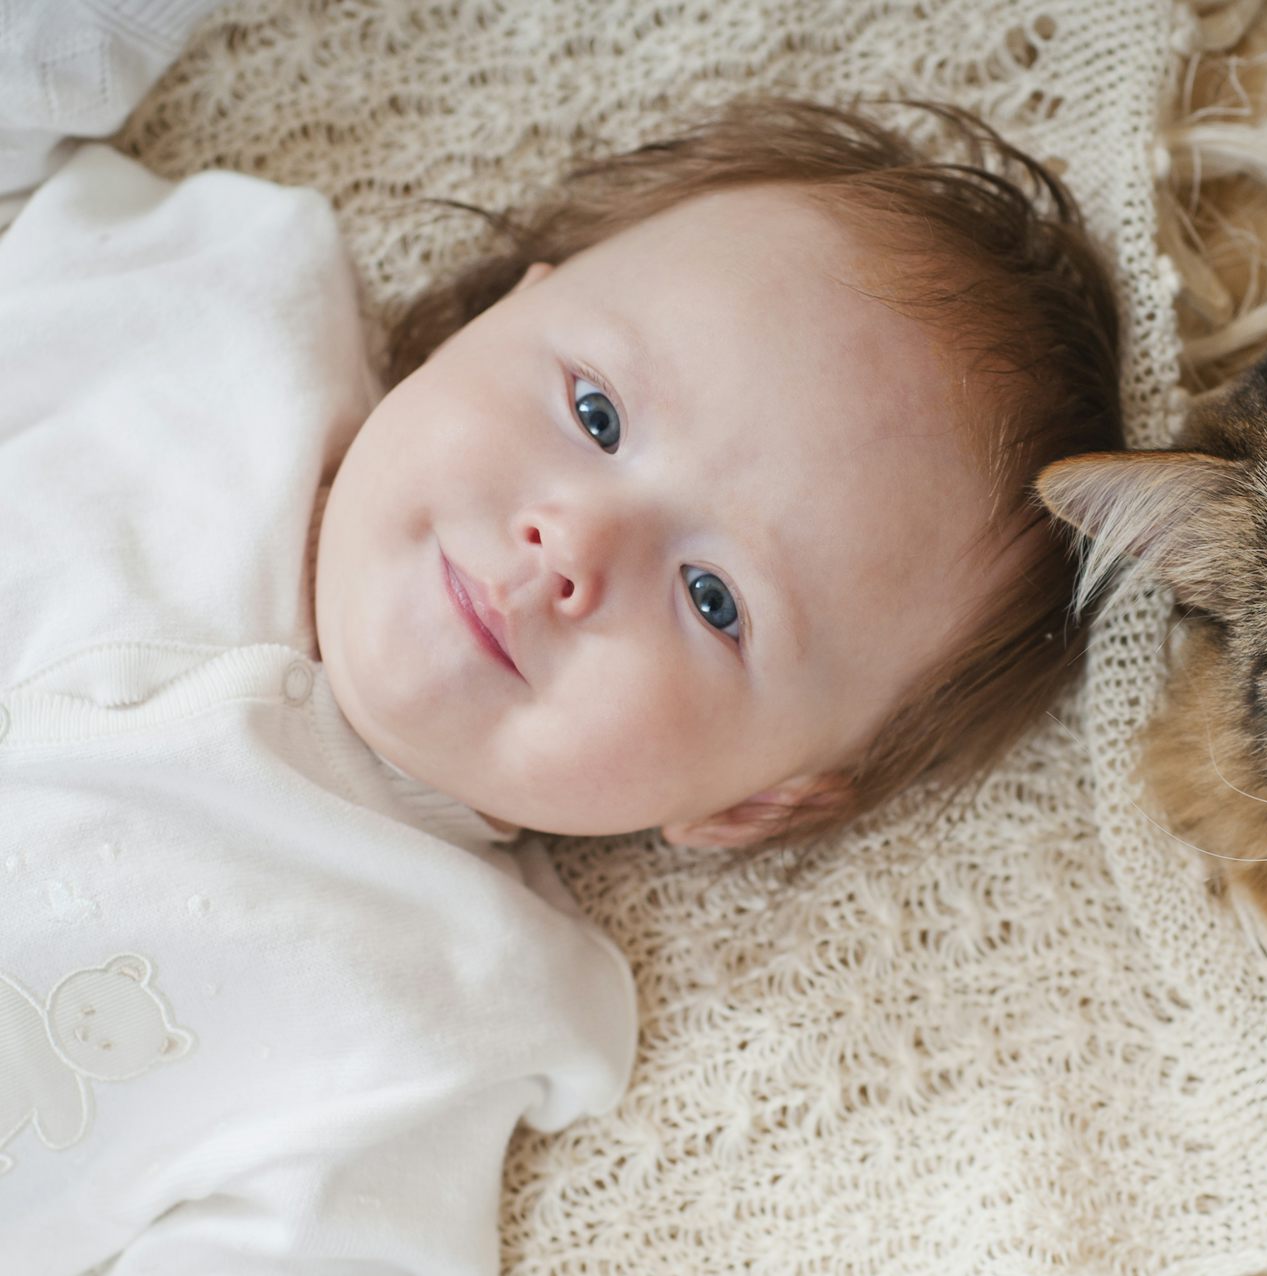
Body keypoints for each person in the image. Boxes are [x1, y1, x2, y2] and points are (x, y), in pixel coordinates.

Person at [0, 6, 1124, 1272]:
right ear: (505, 313)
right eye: (593, 410)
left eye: (714, 600)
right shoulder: (202, 303)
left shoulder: (430, 1008)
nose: (574, 545)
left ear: (755, 804)